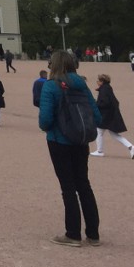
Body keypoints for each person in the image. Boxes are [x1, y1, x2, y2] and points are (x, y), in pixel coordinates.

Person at [39, 50, 101, 247]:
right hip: (81, 141)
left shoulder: (51, 86)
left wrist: (53, 127)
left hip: (59, 141)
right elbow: (97, 117)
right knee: (84, 184)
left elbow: (45, 120)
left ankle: (73, 234)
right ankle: (93, 234)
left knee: (68, 187)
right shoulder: (83, 85)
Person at [91, 74, 134, 159]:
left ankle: (100, 151)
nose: (97, 82)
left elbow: (105, 102)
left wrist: (96, 104)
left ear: (102, 81)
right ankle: (130, 146)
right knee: (114, 134)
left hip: (106, 116)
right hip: (111, 115)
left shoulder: (104, 90)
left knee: (99, 132)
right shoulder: (107, 88)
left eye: (98, 80)